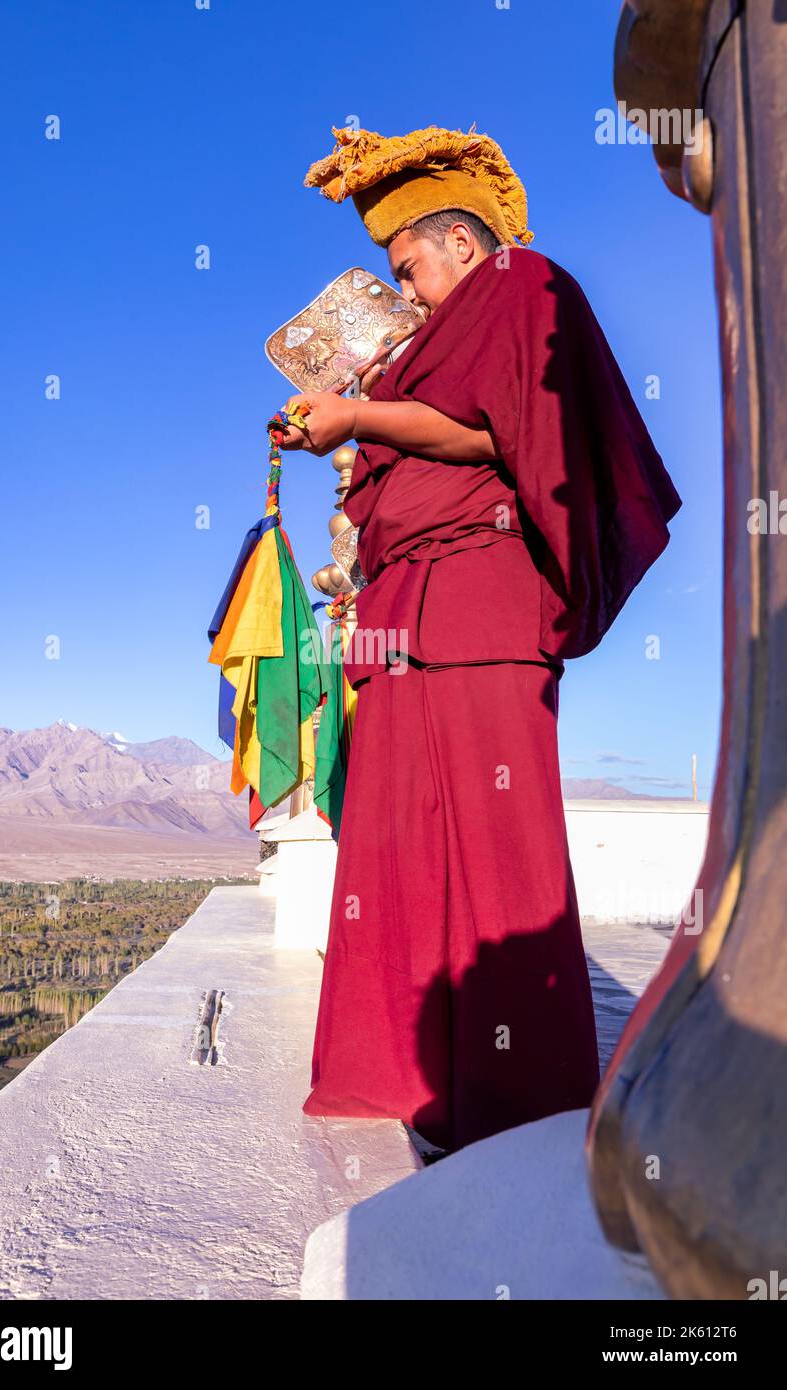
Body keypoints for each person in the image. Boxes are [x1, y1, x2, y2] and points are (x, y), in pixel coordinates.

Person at [279, 125, 682, 1154]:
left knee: (494, 856)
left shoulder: (517, 288)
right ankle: (405, 1075)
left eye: (406, 263)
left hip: (477, 601)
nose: (403, 289)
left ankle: (518, 1105)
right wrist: (338, 420)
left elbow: (491, 434)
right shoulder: (417, 343)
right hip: (396, 617)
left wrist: (361, 422)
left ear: (459, 240)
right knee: (397, 848)